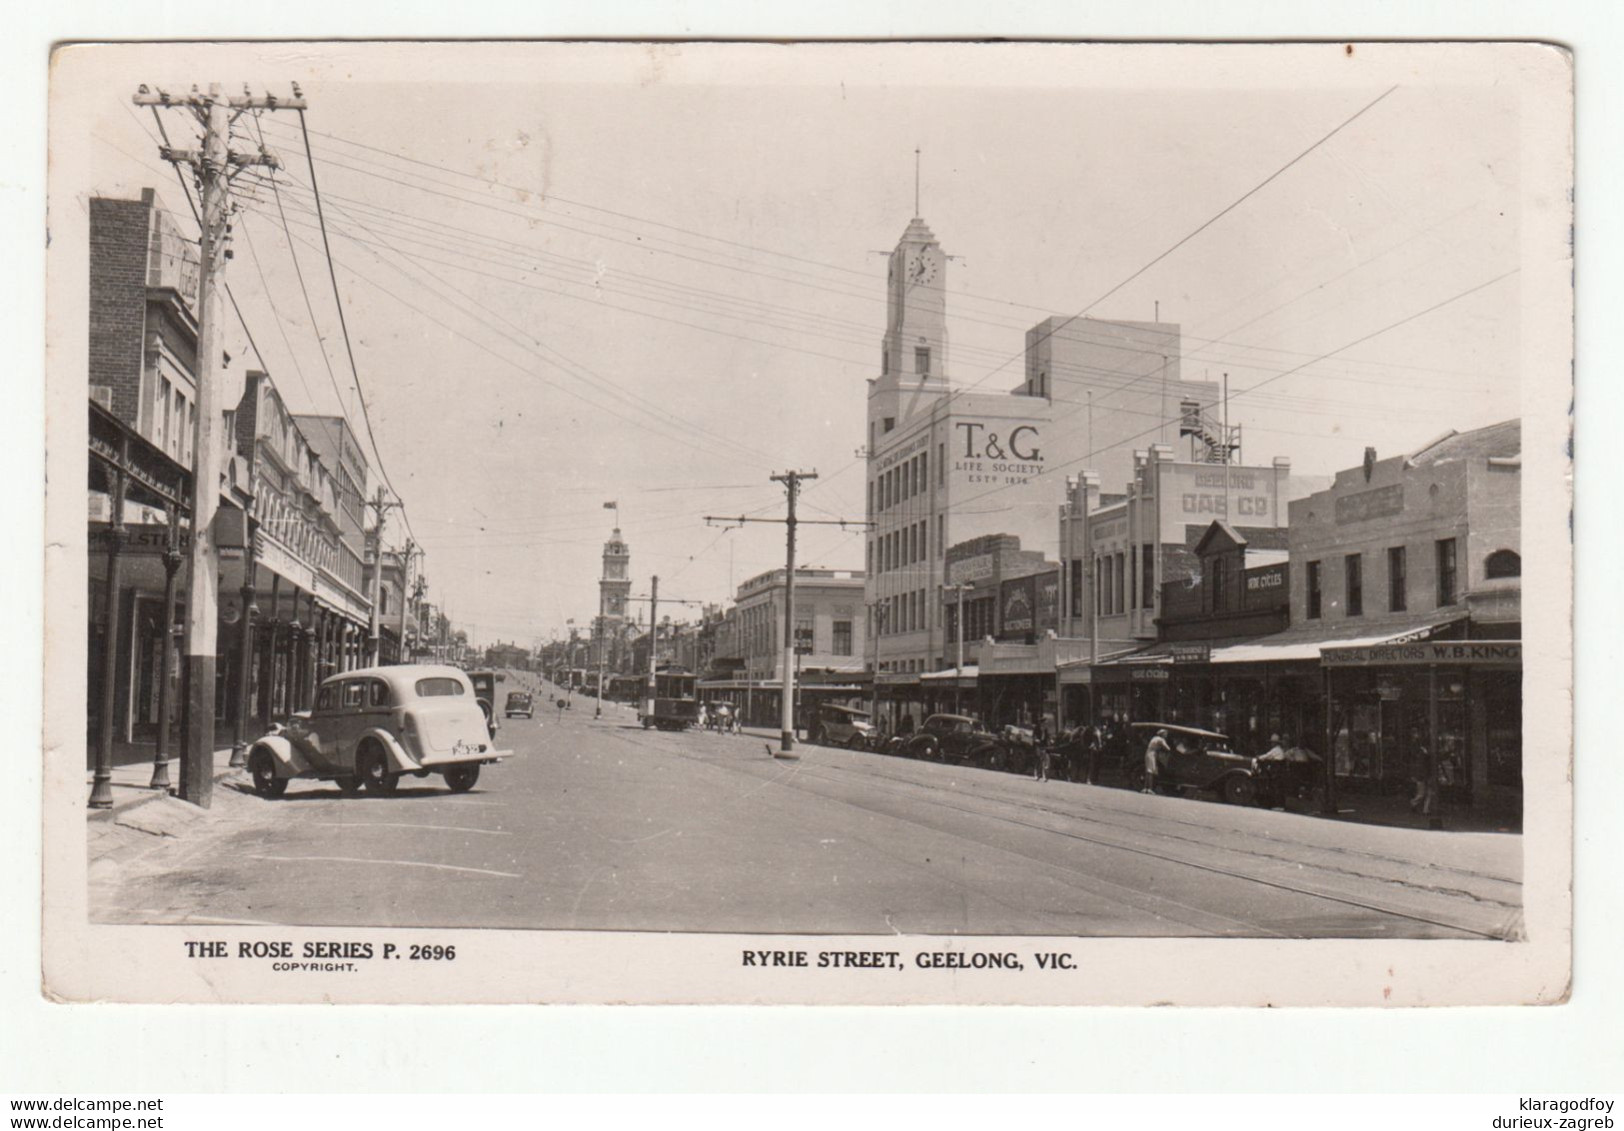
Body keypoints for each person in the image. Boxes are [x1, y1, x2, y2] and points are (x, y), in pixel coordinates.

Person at [1143, 728, 1171, 794]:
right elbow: (1168, 748)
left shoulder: (1155, 737)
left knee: (1148, 771)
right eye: (1165, 734)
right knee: (1150, 771)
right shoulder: (1161, 739)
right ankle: (1149, 788)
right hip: (1152, 753)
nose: (1166, 735)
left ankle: (1145, 788)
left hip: (1148, 753)